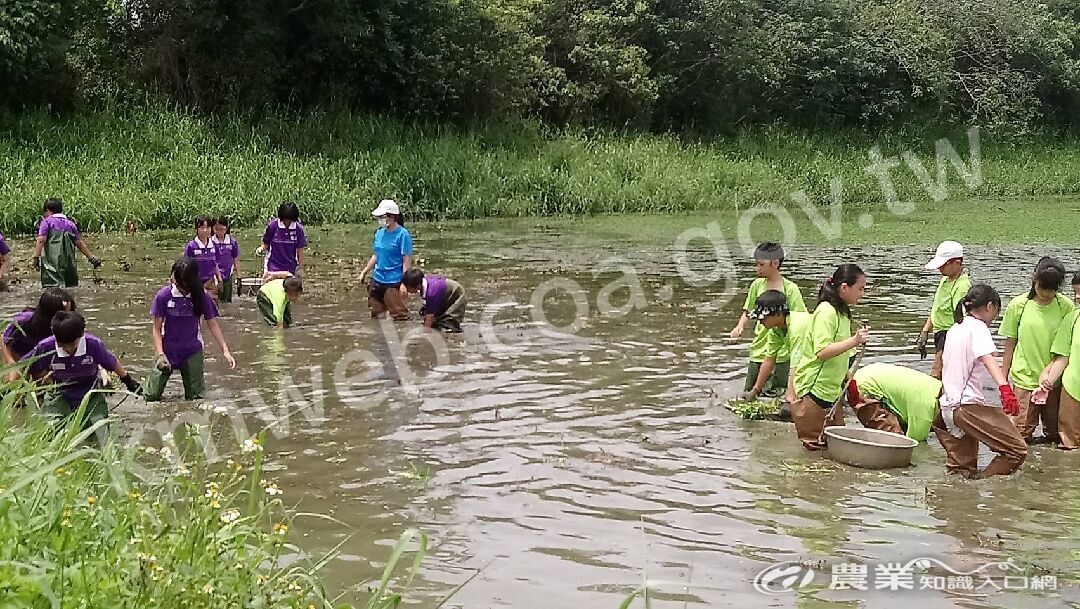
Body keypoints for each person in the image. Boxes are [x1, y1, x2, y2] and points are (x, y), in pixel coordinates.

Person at [932, 284, 1026, 479]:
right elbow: (988, 359)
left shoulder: (955, 327)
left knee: (960, 472)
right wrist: (1005, 390)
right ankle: (981, 484)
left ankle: (956, 503)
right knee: (1016, 450)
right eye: (996, 313)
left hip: (946, 408)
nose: (994, 319)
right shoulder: (978, 327)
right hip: (966, 407)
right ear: (990, 306)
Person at [20, 310, 140, 444]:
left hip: (90, 393)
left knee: (101, 436)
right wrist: (35, 391)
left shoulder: (93, 344)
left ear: (81, 336)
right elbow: (25, 366)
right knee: (51, 433)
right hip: (60, 393)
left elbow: (112, 363)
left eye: (72, 345)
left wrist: (129, 382)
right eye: (62, 345)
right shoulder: (45, 347)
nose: (68, 349)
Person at [791, 264, 870, 450]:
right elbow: (822, 351)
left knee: (834, 447)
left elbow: (841, 352)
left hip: (831, 391)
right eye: (860, 288)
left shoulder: (842, 313)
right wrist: (855, 340)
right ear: (844, 287)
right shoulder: (826, 311)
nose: (862, 294)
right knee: (815, 449)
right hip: (814, 390)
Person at [999, 257, 1074, 443]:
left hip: (1054, 382)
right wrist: (1003, 381)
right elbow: (1010, 344)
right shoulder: (1019, 305)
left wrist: (1051, 377)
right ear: (1035, 280)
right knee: (1020, 433)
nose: (1046, 293)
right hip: (1024, 380)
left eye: (1052, 289)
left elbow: (1068, 347)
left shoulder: (1065, 307)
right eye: (1043, 287)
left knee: (1056, 433)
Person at [145, 257, 236, 402]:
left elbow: (212, 324)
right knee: (150, 396)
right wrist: (160, 354)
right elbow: (156, 329)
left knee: (196, 399)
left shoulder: (201, 297)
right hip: (167, 351)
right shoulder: (164, 296)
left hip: (192, 351)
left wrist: (225, 351)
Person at [729, 242, 806, 398]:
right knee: (750, 391)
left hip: (783, 350)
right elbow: (748, 309)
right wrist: (740, 326)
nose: (757, 268)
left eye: (761, 264)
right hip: (760, 346)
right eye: (756, 264)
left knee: (776, 392)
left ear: (775, 264)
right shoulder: (756, 285)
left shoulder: (791, 289)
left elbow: (799, 319)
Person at [847, 363, 942, 442]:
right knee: (894, 440)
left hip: (869, 374)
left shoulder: (939, 387)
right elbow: (913, 444)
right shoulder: (924, 413)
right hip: (864, 387)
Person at [916, 241, 971, 379]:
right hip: (939, 334)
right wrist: (925, 331)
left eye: (943, 264)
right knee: (942, 373)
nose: (940, 268)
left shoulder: (962, 286)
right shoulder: (945, 280)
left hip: (950, 335)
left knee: (937, 372)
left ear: (957, 263)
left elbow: (962, 319)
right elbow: (936, 308)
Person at [2, 288, 76, 381]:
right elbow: (4, 338)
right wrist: (10, 361)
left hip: (41, 357)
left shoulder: (65, 325)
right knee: (13, 381)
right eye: (64, 312)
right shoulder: (25, 320)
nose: (67, 316)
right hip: (19, 354)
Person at [357, 199, 413, 321]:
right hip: (377, 279)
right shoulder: (379, 233)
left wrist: (404, 283)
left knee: (399, 315)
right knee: (376, 313)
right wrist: (364, 272)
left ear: (392, 217)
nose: (380, 220)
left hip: (393, 281)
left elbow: (406, 260)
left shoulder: (403, 235)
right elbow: (376, 255)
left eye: (382, 217)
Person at [31, 197, 101, 288]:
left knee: (53, 288)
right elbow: (79, 243)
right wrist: (91, 258)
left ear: (48, 211)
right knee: (70, 287)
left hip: (53, 264)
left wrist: (35, 257)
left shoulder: (47, 222)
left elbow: (41, 240)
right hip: (69, 264)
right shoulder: (70, 224)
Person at [1043, 301, 1080, 449]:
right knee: (1068, 442)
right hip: (1073, 388)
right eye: (1076, 291)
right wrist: (1047, 382)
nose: (1078, 296)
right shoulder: (1073, 319)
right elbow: (1062, 356)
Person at [402, 269, 466, 333]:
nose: (407, 290)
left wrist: (425, 333)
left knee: (449, 325)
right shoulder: (423, 283)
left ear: (418, 287)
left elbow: (430, 315)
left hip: (457, 295)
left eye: (408, 288)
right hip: (444, 296)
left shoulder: (431, 293)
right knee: (427, 315)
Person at [257, 202, 306, 280]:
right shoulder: (273, 226)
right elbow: (266, 244)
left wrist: (300, 268)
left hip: (290, 267)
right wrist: (261, 249)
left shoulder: (298, 229)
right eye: (285, 219)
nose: (287, 222)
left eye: (289, 220)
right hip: (272, 266)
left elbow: (300, 250)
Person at [185, 215, 223, 298]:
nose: (205, 230)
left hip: (211, 283)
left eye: (208, 227)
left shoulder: (214, 246)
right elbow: (187, 267)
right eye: (202, 227)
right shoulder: (191, 246)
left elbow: (215, 264)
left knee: (212, 308)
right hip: (196, 283)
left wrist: (220, 280)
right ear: (196, 229)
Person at [212, 216, 241, 303]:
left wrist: (239, 277)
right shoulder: (210, 242)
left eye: (222, 229)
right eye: (216, 229)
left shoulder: (232, 242)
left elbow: (236, 259)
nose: (219, 232)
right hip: (214, 276)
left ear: (226, 228)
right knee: (215, 300)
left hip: (228, 275)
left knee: (227, 302)